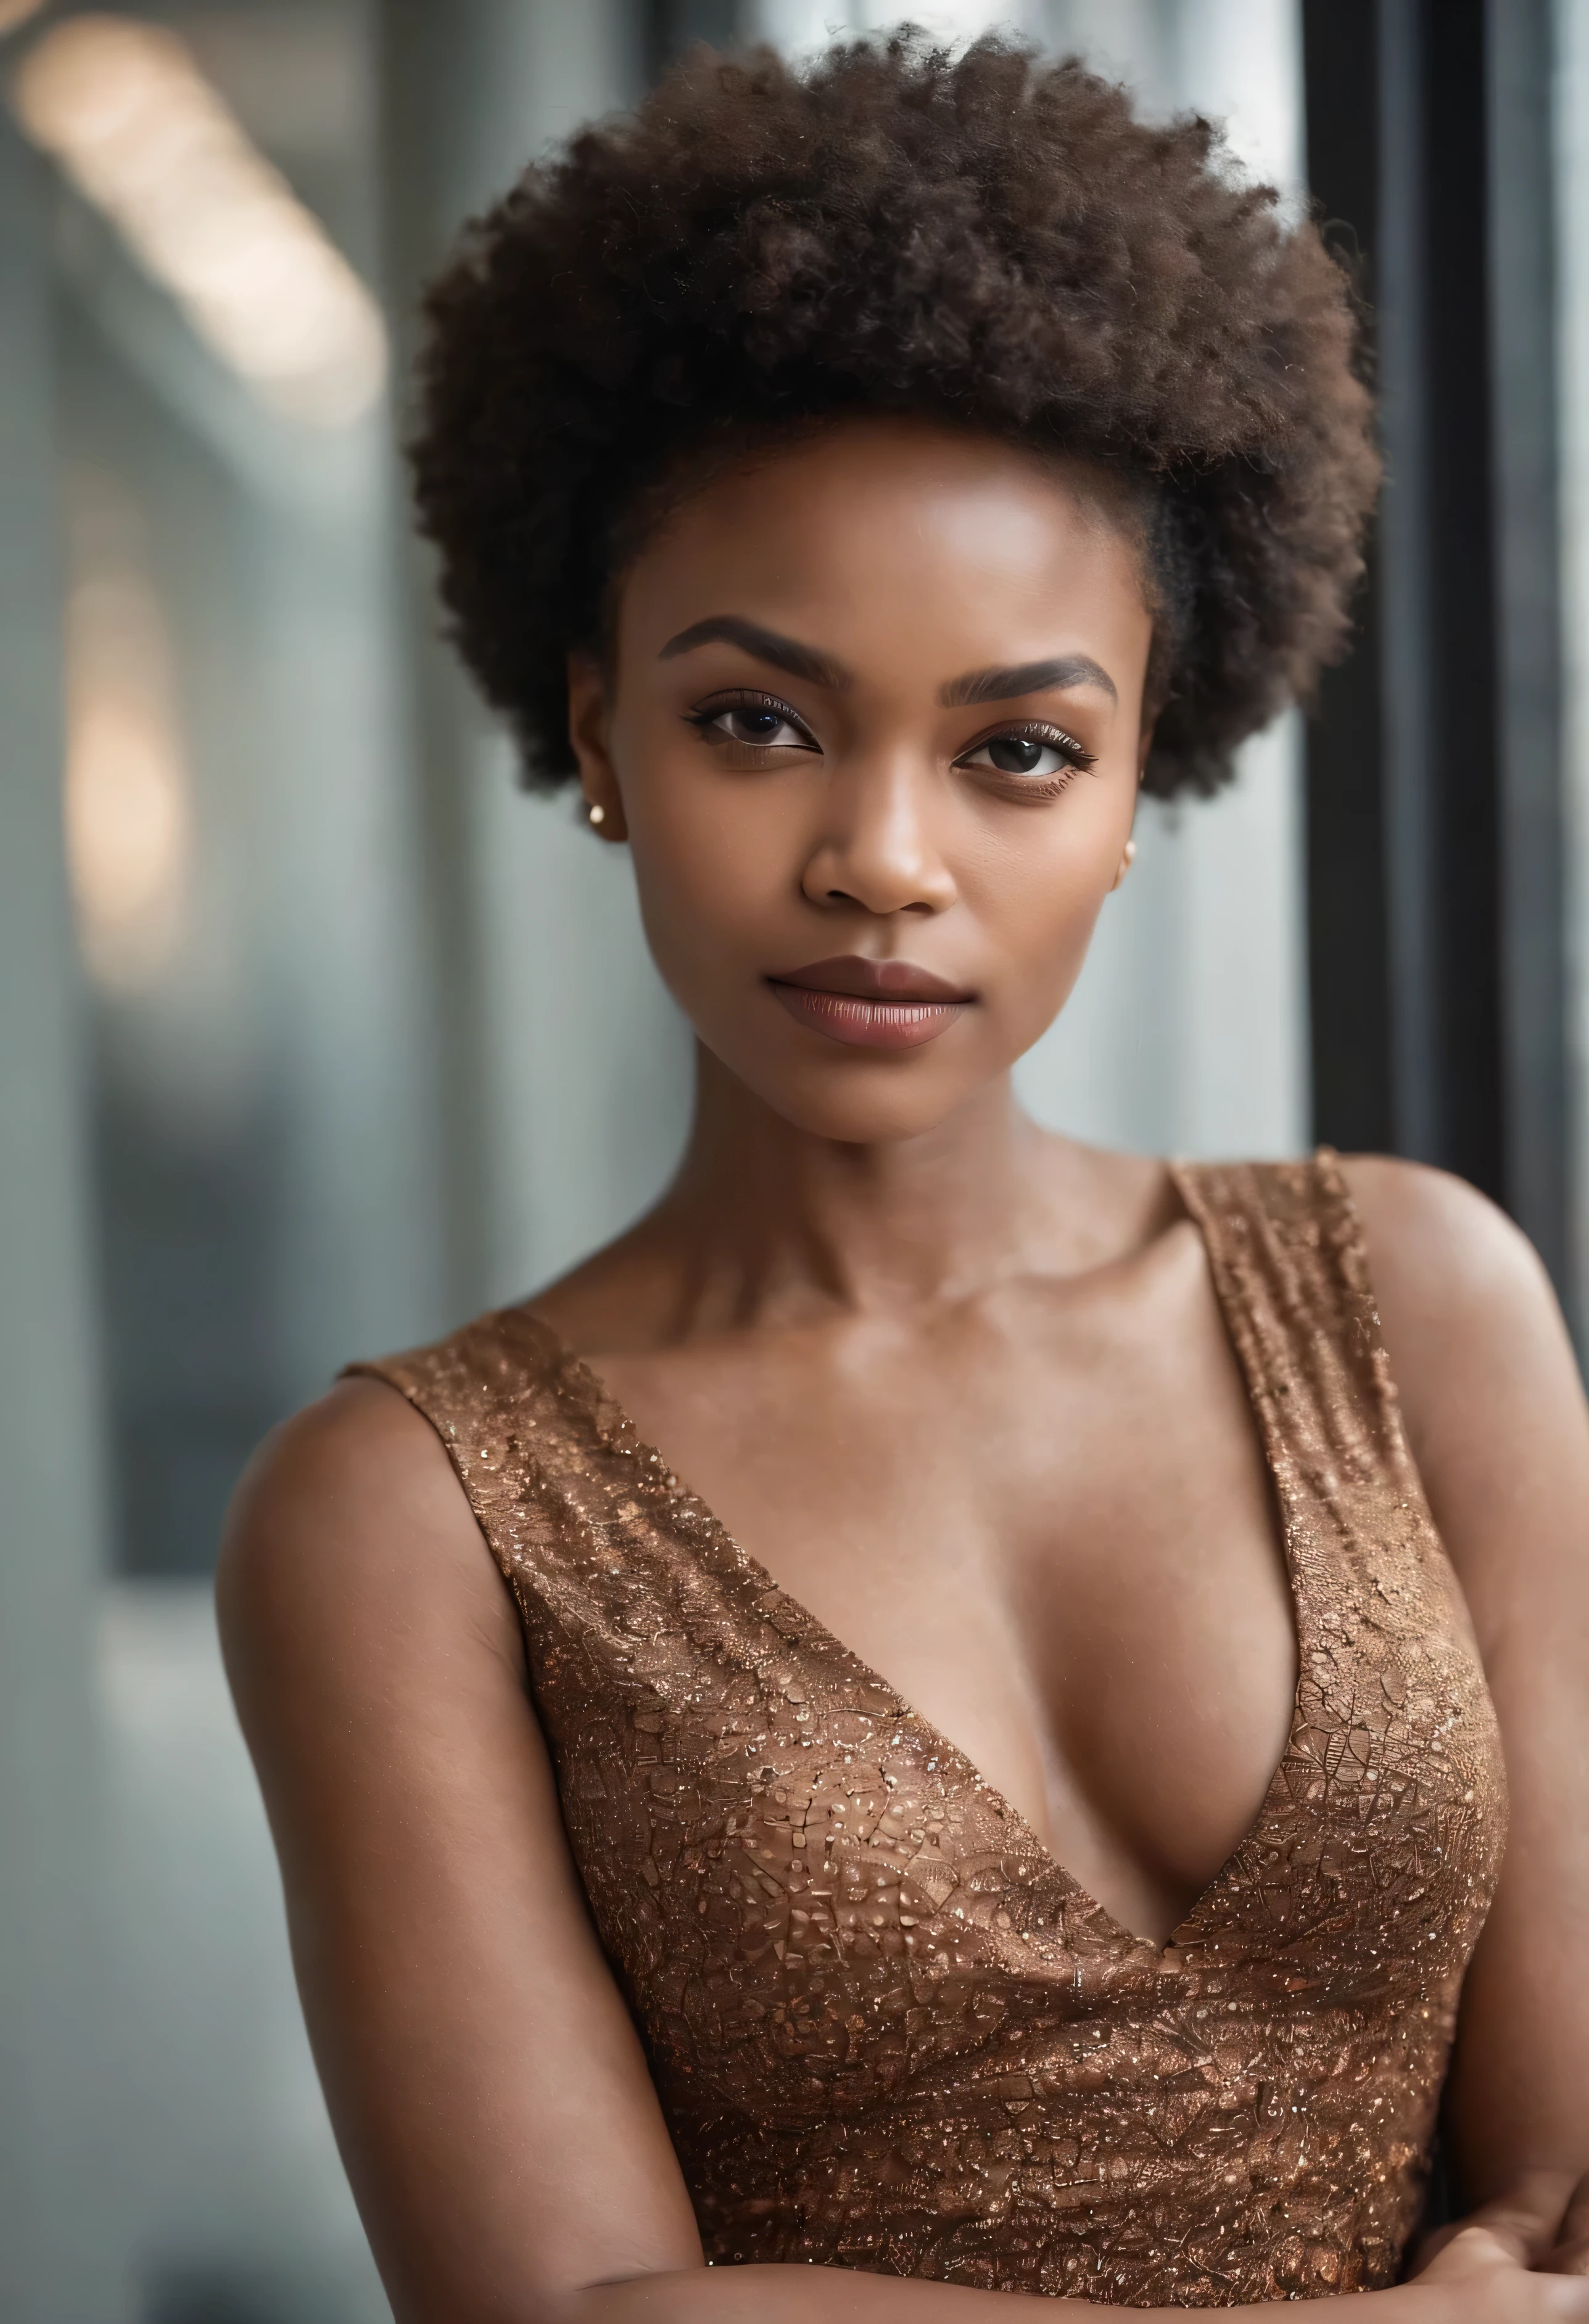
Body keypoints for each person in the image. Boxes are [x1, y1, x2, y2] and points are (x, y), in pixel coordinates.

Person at [218, 34, 1589, 2324]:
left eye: (1019, 751)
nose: (880, 859)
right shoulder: (402, 1518)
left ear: (1149, 770)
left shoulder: (1421, 1305)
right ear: (595, 735)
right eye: (758, 719)